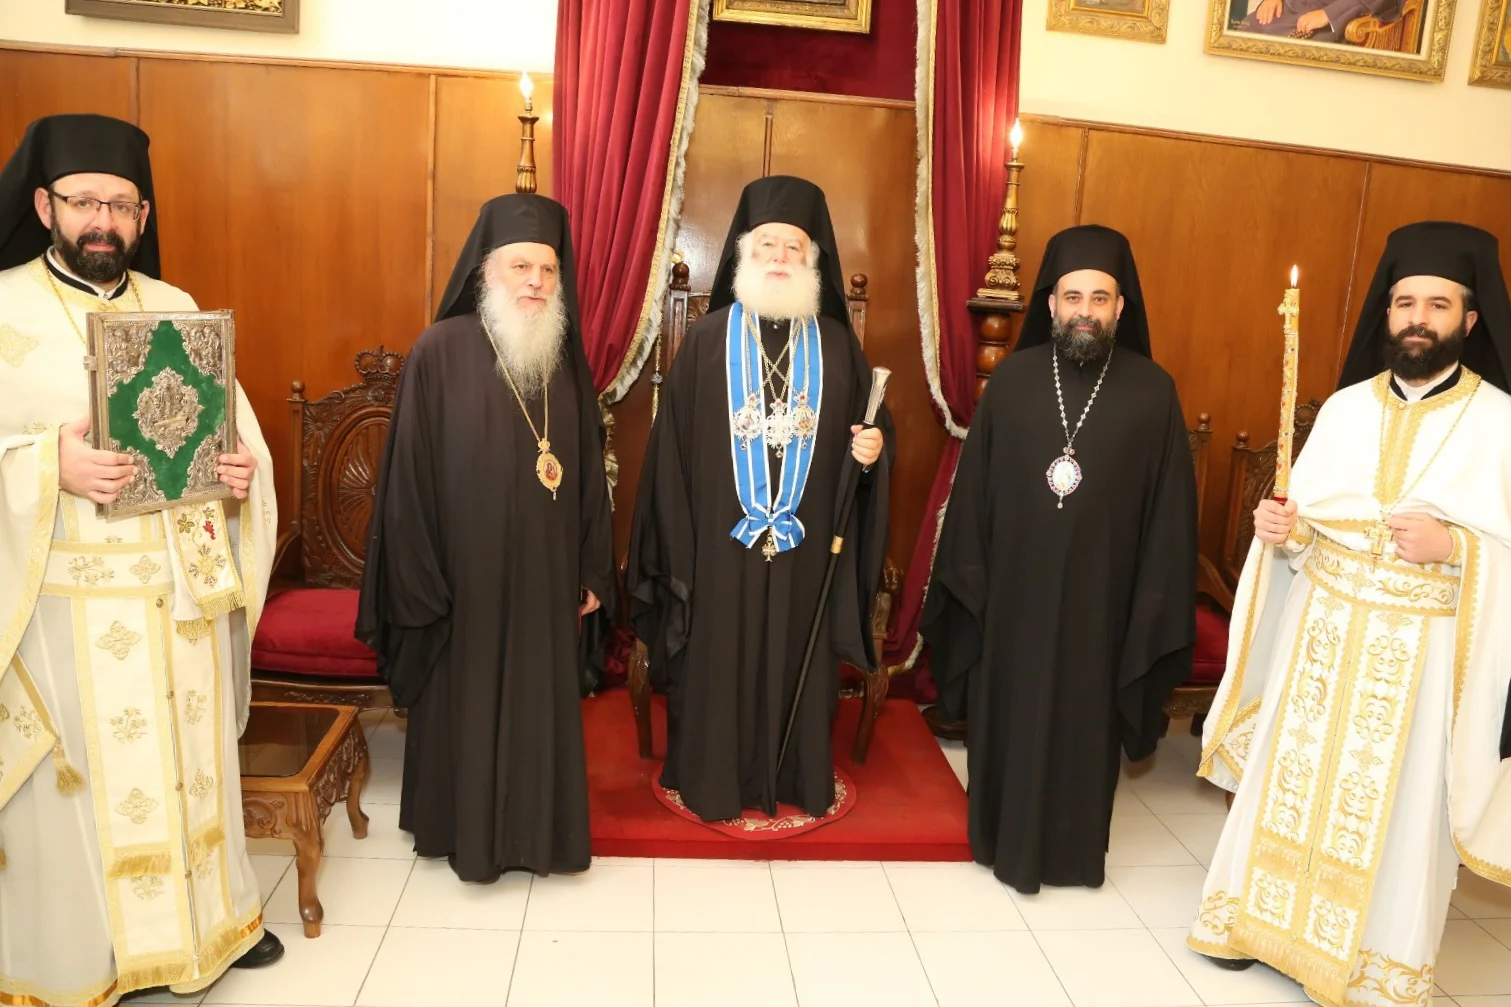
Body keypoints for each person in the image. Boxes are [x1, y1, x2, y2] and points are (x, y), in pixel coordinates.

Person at [1188, 221, 1511, 1007]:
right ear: (1386, 312)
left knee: (1397, 807)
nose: (1417, 319)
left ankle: (1373, 965)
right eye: (1404, 303)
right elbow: (1311, 529)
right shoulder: (1341, 409)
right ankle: (1252, 924)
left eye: (1437, 305)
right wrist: (1284, 531)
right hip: (1322, 641)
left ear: (1469, 320)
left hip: (1423, 660)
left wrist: (1457, 546)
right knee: (1291, 776)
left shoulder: (1500, 421)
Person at [0, 114, 281, 1004]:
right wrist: (48, 463)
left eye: (121, 205)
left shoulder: (179, 309)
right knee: (85, 790)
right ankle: (89, 959)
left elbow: (235, 445)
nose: (103, 221)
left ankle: (214, 929)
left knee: (191, 767)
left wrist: (238, 474)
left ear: (143, 214)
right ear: (44, 205)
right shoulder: (3, 310)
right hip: (59, 606)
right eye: (84, 201)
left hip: (176, 597)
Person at [919, 224, 1198, 894]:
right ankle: (995, 837)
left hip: (1101, 607)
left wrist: (1149, 608)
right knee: (1008, 718)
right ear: (1050, 303)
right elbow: (973, 498)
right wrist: (973, 584)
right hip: (1012, 602)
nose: (1085, 311)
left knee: (1082, 727)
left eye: (1100, 298)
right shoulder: (1012, 381)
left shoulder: (1153, 392)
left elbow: (1169, 517)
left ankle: (1073, 854)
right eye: (1073, 296)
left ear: (1120, 307)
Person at [356, 193, 615, 882]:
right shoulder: (438, 351)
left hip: (546, 576)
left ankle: (539, 836)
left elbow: (588, 473)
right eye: (520, 265)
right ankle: (460, 831)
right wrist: (421, 581)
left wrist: (592, 567)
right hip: (461, 583)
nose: (536, 281)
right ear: (486, 270)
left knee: (537, 705)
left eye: (549, 269)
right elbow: (406, 479)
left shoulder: (564, 359)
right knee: (465, 705)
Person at [627, 175, 892, 822]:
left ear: (811, 260)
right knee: (717, 663)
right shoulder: (706, 340)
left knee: (797, 658)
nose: (779, 256)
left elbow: (870, 436)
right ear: (745, 253)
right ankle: (711, 777)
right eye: (767, 244)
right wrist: (682, 555)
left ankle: (796, 774)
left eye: (793, 247)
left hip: (805, 553)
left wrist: (870, 454)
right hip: (718, 554)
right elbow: (669, 458)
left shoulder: (838, 346)